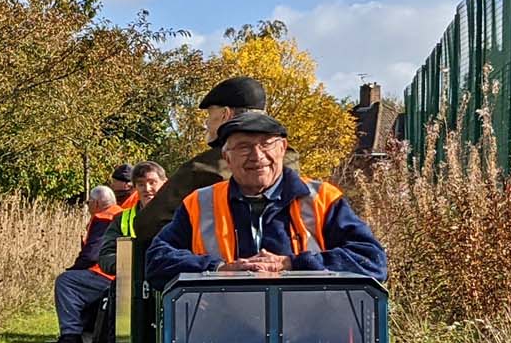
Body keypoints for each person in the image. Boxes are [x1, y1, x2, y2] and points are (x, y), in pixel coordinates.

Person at [144, 111, 388, 285]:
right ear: (227, 158)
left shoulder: (323, 198)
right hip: (221, 338)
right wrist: (217, 269)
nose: (257, 155)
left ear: (282, 149)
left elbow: (372, 260)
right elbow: (156, 261)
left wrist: (295, 265)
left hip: (313, 340)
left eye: (266, 144)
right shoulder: (198, 204)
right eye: (243, 146)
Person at [134, 76, 288, 245]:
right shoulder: (288, 161)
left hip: (215, 268)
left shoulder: (203, 168)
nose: (205, 124)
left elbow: (147, 225)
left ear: (225, 114)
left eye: (209, 115)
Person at [84, 161, 168, 343]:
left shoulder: (182, 214)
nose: (147, 189)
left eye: (152, 182)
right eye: (141, 184)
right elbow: (105, 256)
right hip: (133, 281)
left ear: (164, 183)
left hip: (168, 280)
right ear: (135, 188)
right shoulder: (122, 219)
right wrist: (128, 266)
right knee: (118, 288)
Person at [52, 185, 121, 343]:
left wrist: (74, 269)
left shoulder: (103, 218)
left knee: (66, 281)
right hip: (119, 273)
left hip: (106, 274)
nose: (87, 205)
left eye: (88, 202)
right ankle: (83, 328)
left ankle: (71, 334)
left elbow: (92, 254)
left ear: (96, 203)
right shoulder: (120, 213)